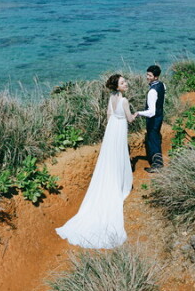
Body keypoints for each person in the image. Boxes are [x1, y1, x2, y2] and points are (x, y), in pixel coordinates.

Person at [55, 74, 138, 249]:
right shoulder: (124, 101)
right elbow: (130, 119)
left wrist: (109, 133)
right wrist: (137, 113)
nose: (126, 83)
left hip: (112, 129)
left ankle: (113, 179)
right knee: (120, 155)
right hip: (120, 128)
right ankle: (120, 183)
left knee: (110, 157)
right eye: (123, 82)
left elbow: (109, 115)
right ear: (117, 86)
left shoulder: (111, 98)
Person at [135, 65, 165, 173]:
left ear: (155, 77)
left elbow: (151, 112)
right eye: (147, 74)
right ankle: (157, 162)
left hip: (153, 119)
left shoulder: (152, 92)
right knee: (155, 138)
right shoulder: (162, 85)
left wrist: (138, 113)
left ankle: (157, 165)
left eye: (150, 75)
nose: (147, 77)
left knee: (153, 140)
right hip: (160, 116)